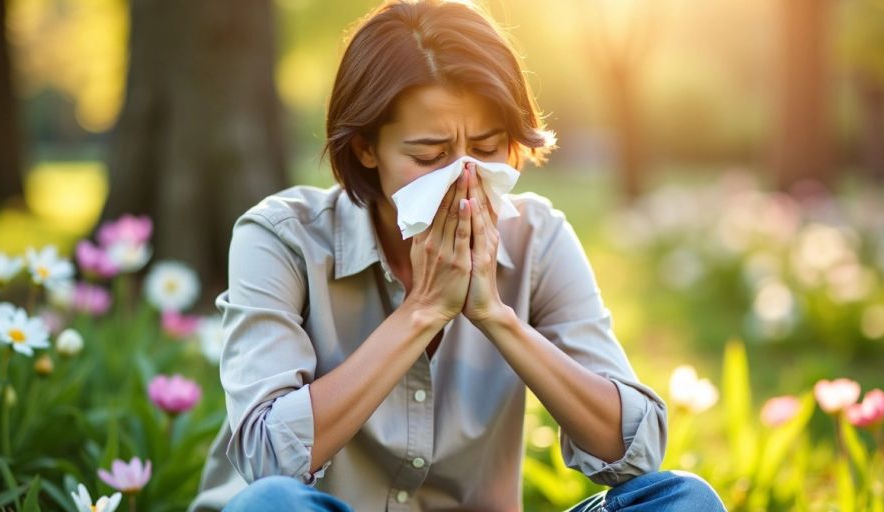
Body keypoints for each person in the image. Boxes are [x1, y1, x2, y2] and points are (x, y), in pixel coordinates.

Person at [188, 1, 727, 510]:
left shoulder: (538, 238)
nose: (465, 180)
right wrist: (421, 312)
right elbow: (266, 458)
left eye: (488, 149)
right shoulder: (282, 239)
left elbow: (635, 451)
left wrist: (497, 317)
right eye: (430, 155)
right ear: (366, 149)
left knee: (686, 501)